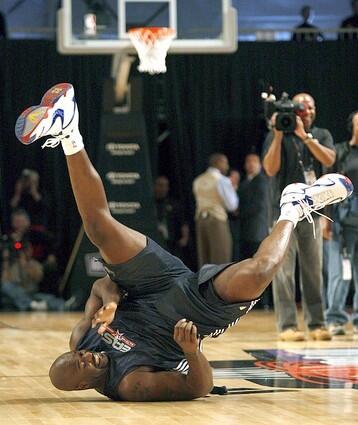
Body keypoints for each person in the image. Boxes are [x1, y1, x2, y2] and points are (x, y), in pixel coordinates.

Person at [15, 83, 352, 401]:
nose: (86, 357)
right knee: (260, 272)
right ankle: (294, 207)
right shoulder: (132, 384)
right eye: (82, 366)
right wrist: (191, 351)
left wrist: (112, 301)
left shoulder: (81, 339)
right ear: (83, 386)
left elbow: (100, 286)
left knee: (99, 229)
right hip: (187, 313)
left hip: (148, 284)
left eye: (79, 356)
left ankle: (68, 131)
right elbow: (198, 388)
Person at [262, 92, 336, 341]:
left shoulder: (322, 134)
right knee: (283, 271)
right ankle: (287, 326)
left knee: (314, 270)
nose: (306, 110)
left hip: (313, 212)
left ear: (314, 110)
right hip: (283, 213)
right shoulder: (277, 134)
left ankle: (317, 324)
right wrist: (278, 135)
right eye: (300, 106)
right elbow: (270, 169)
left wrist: (305, 136)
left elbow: (329, 158)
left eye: (309, 106)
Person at [325, 111, 358, 336]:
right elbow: (329, 188)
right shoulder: (340, 151)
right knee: (340, 273)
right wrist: (326, 221)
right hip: (343, 221)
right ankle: (334, 318)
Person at [193, 153, 238, 267]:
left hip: (200, 221)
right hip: (216, 220)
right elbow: (232, 205)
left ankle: (205, 285)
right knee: (221, 260)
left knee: (204, 261)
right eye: (225, 163)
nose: (227, 166)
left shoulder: (198, 180)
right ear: (218, 163)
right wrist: (234, 187)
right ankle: (219, 285)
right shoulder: (222, 180)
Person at [238, 154, 269, 261]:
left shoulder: (261, 181)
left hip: (256, 231)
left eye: (254, 161)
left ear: (260, 165)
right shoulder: (244, 182)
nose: (251, 164)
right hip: (245, 230)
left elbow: (258, 205)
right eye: (248, 161)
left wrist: (238, 212)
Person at [153, 175, 190, 261]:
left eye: (166, 186)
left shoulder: (174, 204)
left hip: (172, 242)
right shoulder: (149, 204)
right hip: (154, 241)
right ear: (155, 186)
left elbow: (183, 222)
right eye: (161, 185)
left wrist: (185, 237)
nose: (164, 189)